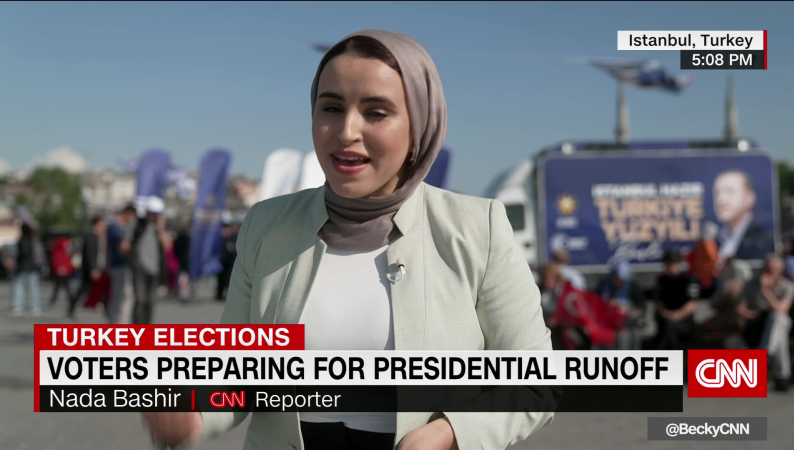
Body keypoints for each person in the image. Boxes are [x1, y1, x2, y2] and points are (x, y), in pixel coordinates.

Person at [143, 30, 555, 450]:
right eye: (332, 107)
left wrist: (450, 433)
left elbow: (536, 380)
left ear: (420, 125)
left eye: (376, 112)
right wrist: (192, 413)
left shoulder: (477, 228)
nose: (346, 131)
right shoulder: (267, 224)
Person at [738, 255, 794, 391]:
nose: (765, 273)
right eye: (765, 269)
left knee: (777, 319)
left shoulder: (787, 286)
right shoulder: (751, 284)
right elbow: (740, 307)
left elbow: (781, 309)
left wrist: (765, 291)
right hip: (757, 323)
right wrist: (750, 314)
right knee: (779, 336)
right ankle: (782, 377)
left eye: (770, 271)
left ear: (779, 272)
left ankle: (765, 354)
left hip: (778, 321)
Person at [123, 197, 170, 325]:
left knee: (150, 302)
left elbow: (167, 246)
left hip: (155, 270)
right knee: (140, 299)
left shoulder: (159, 228)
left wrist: (160, 230)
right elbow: (125, 244)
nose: (154, 217)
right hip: (139, 268)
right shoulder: (137, 224)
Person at [713, 170, 773, 260]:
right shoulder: (716, 240)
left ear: (749, 198)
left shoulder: (763, 239)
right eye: (717, 193)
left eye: (729, 192)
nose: (721, 199)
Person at [653, 249, 699, 350]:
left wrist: (678, 315)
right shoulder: (662, 280)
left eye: (672, 263)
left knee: (671, 329)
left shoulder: (688, 279)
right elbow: (657, 302)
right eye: (667, 264)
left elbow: (692, 304)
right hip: (665, 320)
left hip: (684, 322)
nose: (670, 267)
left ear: (679, 264)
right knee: (667, 328)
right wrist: (666, 313)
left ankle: (665, 357)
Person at [69, 216, 110, 320]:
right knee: (82, 290)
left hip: (100, 269)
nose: (103, 228)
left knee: (103, 292)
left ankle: (108, 314)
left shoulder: (101, 238)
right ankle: (70, 310)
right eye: (101, 226)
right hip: (91, 270)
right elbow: (89, 255)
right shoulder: (90, 237)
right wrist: (93, 268)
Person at [107, 204, 137, 323]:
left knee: (122, 297)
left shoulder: (118, 227)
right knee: (122, 298)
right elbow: (124, 248)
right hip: (120, 266)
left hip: (120, 266)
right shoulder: (116, 227)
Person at [10, 222, 45, 316]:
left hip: (22, 267)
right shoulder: (34, 239)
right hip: (32, 267)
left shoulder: (21, 240)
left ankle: (17, 305)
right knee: (33, 288)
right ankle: (35, 306)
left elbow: (18, 254)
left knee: (18, 288)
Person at [47, 235, 75, 310]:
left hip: (66, 273)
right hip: (60, 273)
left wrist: (70, 268)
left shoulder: (66, 251)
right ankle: (54, 300)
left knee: (65, 288)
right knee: (58, 287)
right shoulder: (57, 251)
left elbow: (68, 261)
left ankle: (70, 300)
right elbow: (55, 262)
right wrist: (58, 269)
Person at [216, 222, 238, 301]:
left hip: (230, 263)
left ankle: (228, 295)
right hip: (221, 262)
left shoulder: (233, 238)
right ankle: (219, 295)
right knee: (220, 280)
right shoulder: (220, 239)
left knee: (228, 279)